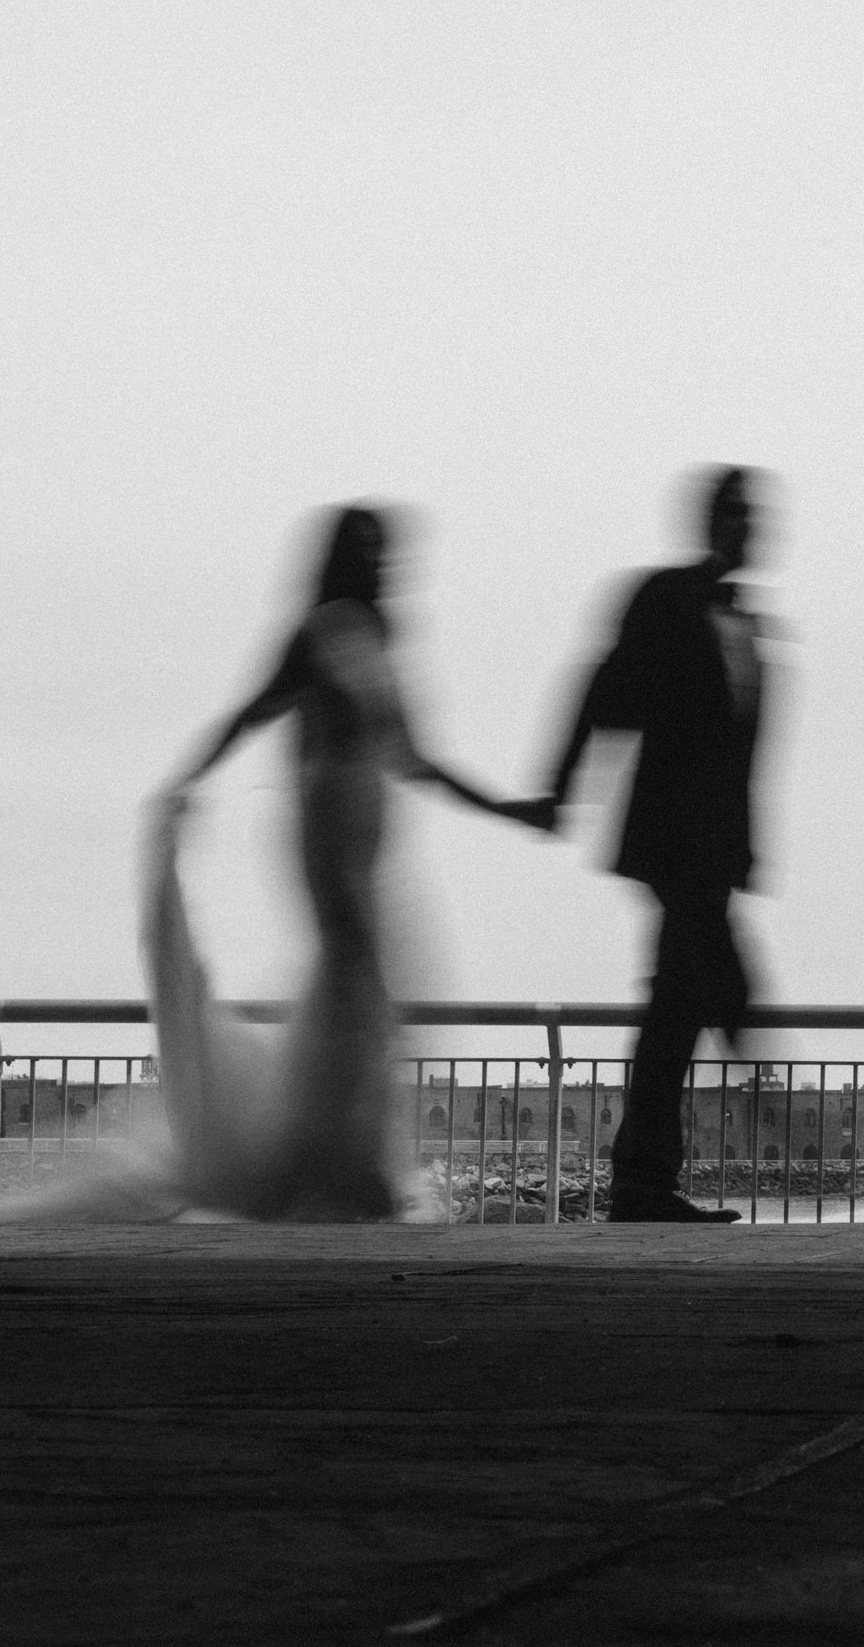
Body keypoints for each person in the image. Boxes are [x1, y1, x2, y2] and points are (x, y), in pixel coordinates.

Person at [148, 503, 543, 1220]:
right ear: (342, 557)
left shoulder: (378, 642)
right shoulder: (321, 630)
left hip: (367, 837)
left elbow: (416, 759)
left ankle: (334, 1159)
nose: (381, 561)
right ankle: (348, 1167)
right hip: (328, 833)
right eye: (366, 548)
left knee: (362, 994)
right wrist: (188, 776)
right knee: (362, 984)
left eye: (383, 549)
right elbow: (254, 709)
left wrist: (506, 808)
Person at [528, 466, 772, 1223]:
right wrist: (563, 789)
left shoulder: (747, 621)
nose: (746, 527)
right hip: (673, 842)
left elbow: (740, 750)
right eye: (733, 513)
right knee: (710, 990)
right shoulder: (663, 599)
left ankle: (643, 1178)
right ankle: (758, 1093)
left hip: (714, 848)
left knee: (677, 1005)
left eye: (752, 514)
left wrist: (744, 847)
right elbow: (602, 693)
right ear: (707, 521)